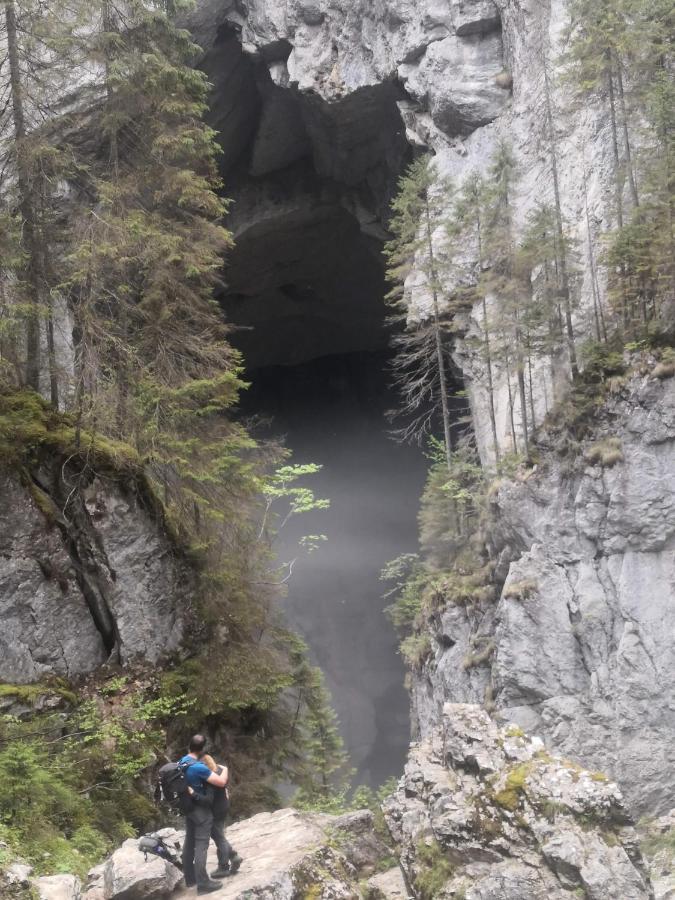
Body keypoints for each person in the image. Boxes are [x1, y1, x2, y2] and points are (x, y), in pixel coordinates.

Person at [179, 734, 229, 894]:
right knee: (201, 846)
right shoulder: (198, 767)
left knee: (189, 843)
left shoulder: (181, 762)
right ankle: (203, 883)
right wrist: (225, 769)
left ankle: (190, 878)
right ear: (202, 749)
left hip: (188, 808)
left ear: (189, 746)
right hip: (201, 810)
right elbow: (221, 782)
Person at [202, 754, 242, 878]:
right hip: (223, 805)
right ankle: (234, 856)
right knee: (219, 835)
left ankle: (224, 867)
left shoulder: (206, 777)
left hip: (214, 809)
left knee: (218, 837)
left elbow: (207, 798)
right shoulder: (220, 769)